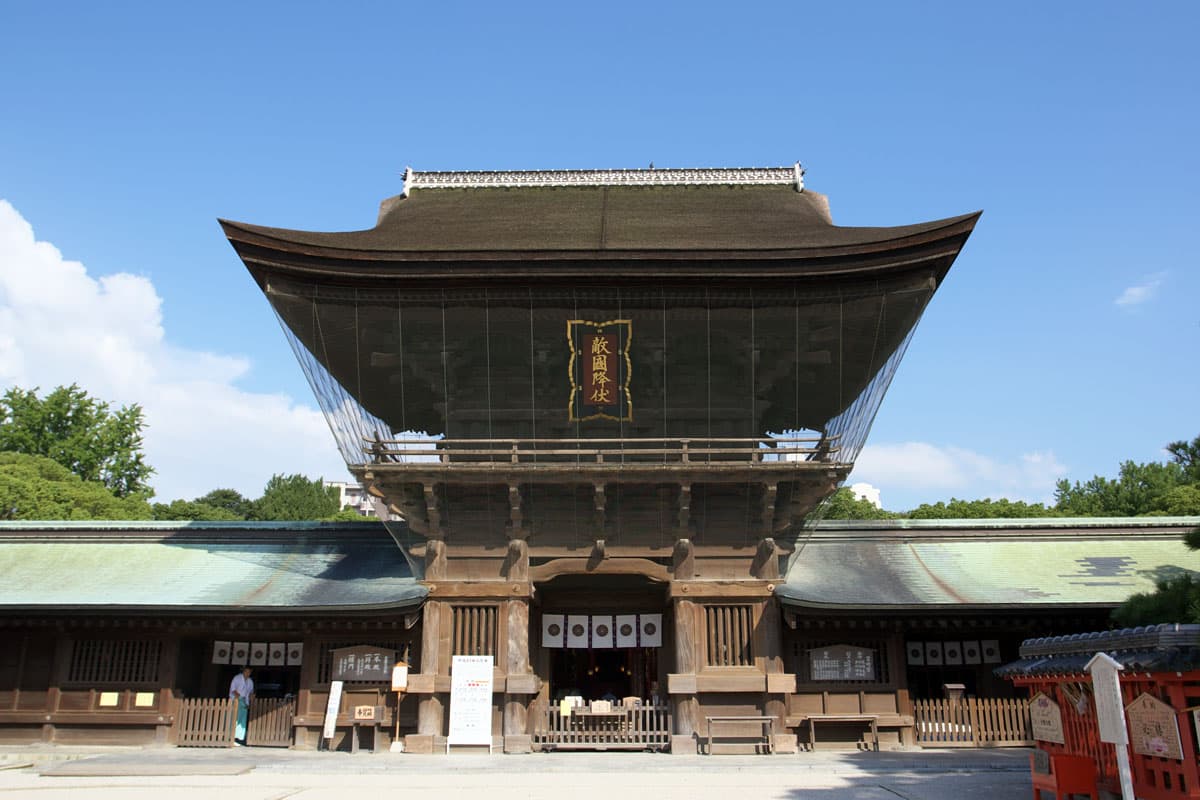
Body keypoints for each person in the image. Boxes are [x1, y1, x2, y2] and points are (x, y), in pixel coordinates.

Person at [228, 666, 254, 745]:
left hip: (244, 700)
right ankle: (231, 737)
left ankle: (237, 738)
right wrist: (237, 698)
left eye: (249, 672)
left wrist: (249, 700)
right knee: (234, 718)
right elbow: (233, 689)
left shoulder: (250, 681)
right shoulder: (237, 678)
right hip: (235, 699)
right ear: (243, 671)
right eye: (246, 671)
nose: (247, 673)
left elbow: (250, 692)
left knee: (242, 720)